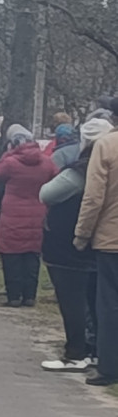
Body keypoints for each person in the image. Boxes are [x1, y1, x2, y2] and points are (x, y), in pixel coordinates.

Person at [39, 118, 113, 371]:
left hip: (69, 244)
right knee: (98, 302)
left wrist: (81, 234)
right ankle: (97, 351)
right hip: (103, 243)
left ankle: (76, 352)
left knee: (72, 300)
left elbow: (46, 194)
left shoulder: (80, 171)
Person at [0, 126, 55, 307]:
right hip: (37, 210)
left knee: (11, 254)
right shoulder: (46, 161)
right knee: (32, 253)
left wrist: (8, 155)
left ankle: (13, 296)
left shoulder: (11, 162)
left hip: (13, 212)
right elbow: (55, 175)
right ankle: (30, 296)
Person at [76, 114, 118, 385]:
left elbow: (93, 197)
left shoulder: (106, 145)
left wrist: (82, 233)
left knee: (109, 304)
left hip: (111, 239)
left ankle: (110, 366)